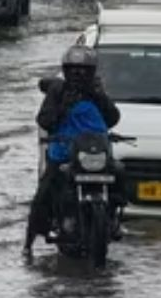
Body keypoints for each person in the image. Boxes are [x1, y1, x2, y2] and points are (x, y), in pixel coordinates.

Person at [24, 45, 121, 257]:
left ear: (92, 71)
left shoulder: (97, 91)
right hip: (62, 154)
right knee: (43, 193)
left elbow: (113, 118)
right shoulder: (57, 91)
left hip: (94, 153)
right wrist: (61, 108)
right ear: (66, 70)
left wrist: (99, 96)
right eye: (74, 69)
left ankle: (114, 220)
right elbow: (44, 120)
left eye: (84, 70)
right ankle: (29, 242)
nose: (79, 74)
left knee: (120, 174)